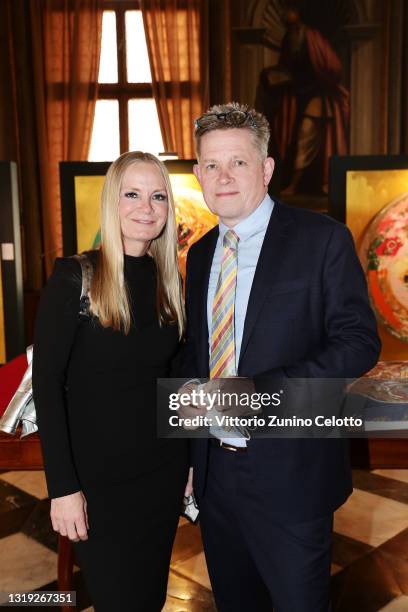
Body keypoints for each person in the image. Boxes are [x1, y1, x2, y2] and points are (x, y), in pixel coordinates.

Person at [181, 102, 380, 611]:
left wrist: (259, 392)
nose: (223, 177)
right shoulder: (201, 254)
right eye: (210, 164)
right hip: (215, 479)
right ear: (198, 172)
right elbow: (196, 360)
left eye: (238, 162)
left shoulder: (322, 239)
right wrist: (187, 449)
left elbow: (359, 341)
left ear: (266, 169)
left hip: (292, 471)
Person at [32, 151, 189, 611]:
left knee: (151, 599)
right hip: (97, 484)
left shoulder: (171, 283)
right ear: (111, 202)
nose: (147, 206)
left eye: (158, 195)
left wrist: (192, 462)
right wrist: (62, 488)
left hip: (161, 475)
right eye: (133, 194)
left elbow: (176, 380)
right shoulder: (74, 278)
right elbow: (47, 386)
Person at [255, 7, 349, 195]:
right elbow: (287, 67)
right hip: (296, 97)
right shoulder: (289, 40)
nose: (291, 29)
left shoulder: (313, 38)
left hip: (317, 97)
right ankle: (292, 184)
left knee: (305, 135)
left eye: (293, 25)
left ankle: (297, 185)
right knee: (289, 139)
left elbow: (332, 68)